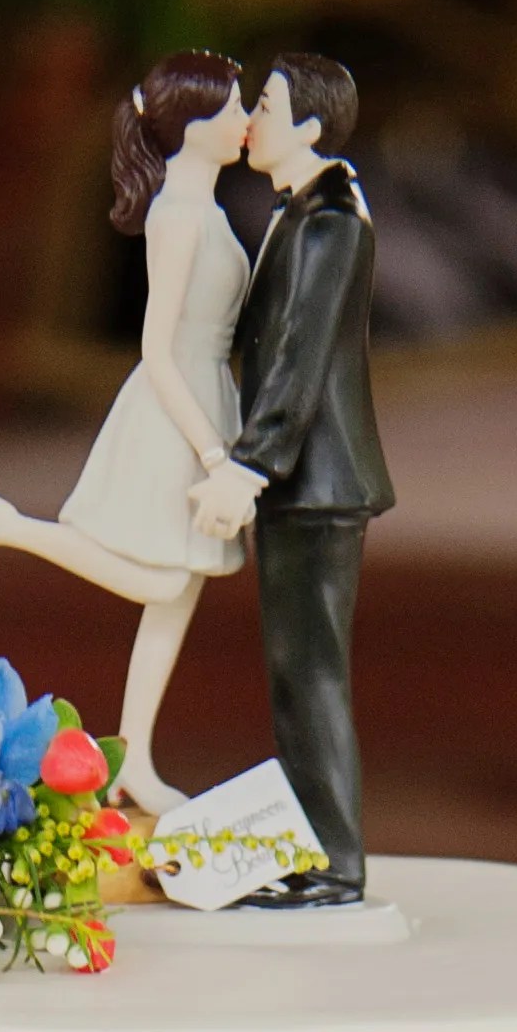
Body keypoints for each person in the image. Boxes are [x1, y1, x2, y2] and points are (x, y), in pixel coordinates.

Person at [0, 56, 251, 818]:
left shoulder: (210, 207)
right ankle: (10, 528)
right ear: (194, 127)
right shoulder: (176, 216)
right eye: (235, 107)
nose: (245, 121)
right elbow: (157, 349)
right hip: (178, 409)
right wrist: (211, 453)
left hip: (211, 395)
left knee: (178, 594)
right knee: (164, 581)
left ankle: (135, 752)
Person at [188, 53, 394, 907]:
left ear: (308, 125)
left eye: (266, 106)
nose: (254, 122)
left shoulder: (328, 223)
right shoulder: (302, 212)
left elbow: (301, 363)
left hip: (314, 482)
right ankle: (314, 849)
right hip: (302, 484)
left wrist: (250, 465)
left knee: (310, 674)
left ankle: (334, 864)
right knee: (294, 671)